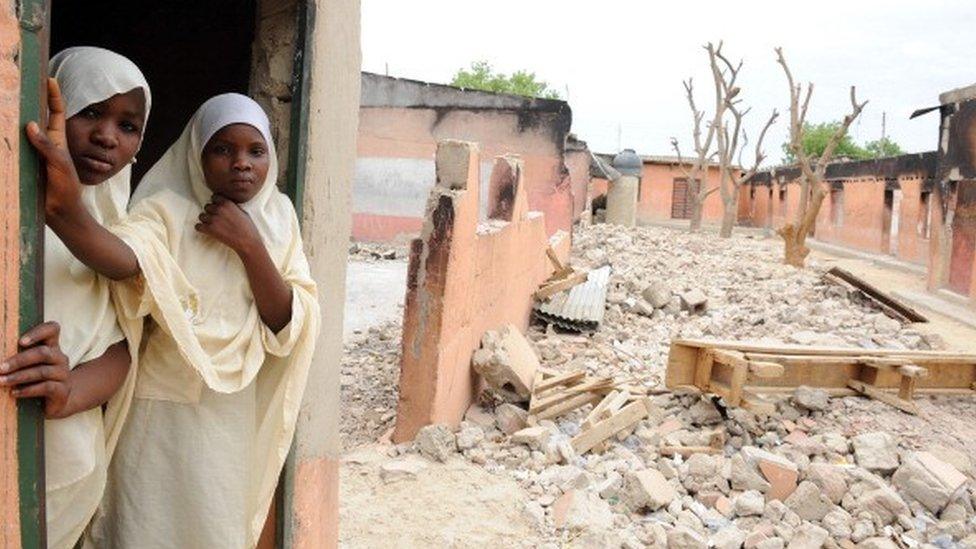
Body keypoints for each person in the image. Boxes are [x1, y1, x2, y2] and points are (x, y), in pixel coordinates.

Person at [28, 89, 320, 548]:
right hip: (155, 414)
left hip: (228, 419)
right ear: (195, 154)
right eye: (222, 149)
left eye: (255, 150)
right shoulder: (165, 211)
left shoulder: (279, 219)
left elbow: (289, 319)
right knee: (142, 526)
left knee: (213, 528)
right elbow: (125, 260)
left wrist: (248, 244)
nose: (241, 163)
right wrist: (65, 211)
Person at [2, 46, 150, 549]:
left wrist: (68, 391)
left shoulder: (125, 228)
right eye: (90, 112)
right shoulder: (10, 212)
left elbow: (122, 350)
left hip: (67, 466)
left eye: (128, 126)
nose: (107, 136)